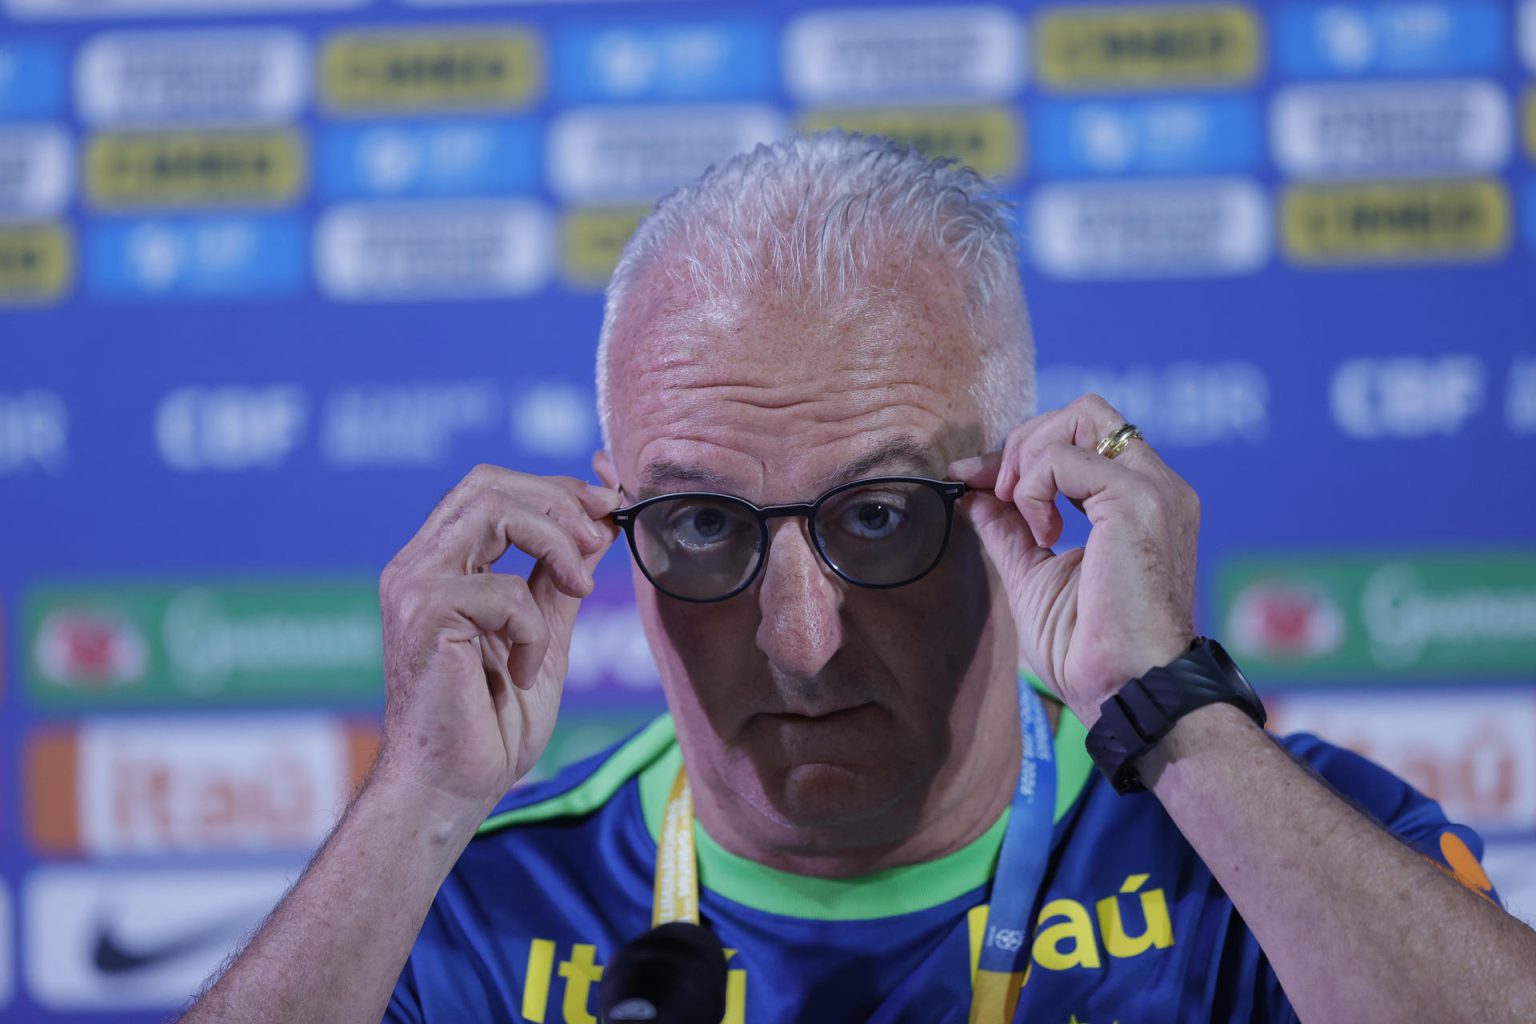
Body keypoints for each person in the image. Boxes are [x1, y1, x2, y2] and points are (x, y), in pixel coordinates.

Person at [181, 133, 1536, 1024]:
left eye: (879, 517)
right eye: (705, 525)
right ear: (611, 517)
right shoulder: (469, 912)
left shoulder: (1261, 854)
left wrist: (1170, 711)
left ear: (1021, 496)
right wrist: (415, 800)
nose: (802, 637)